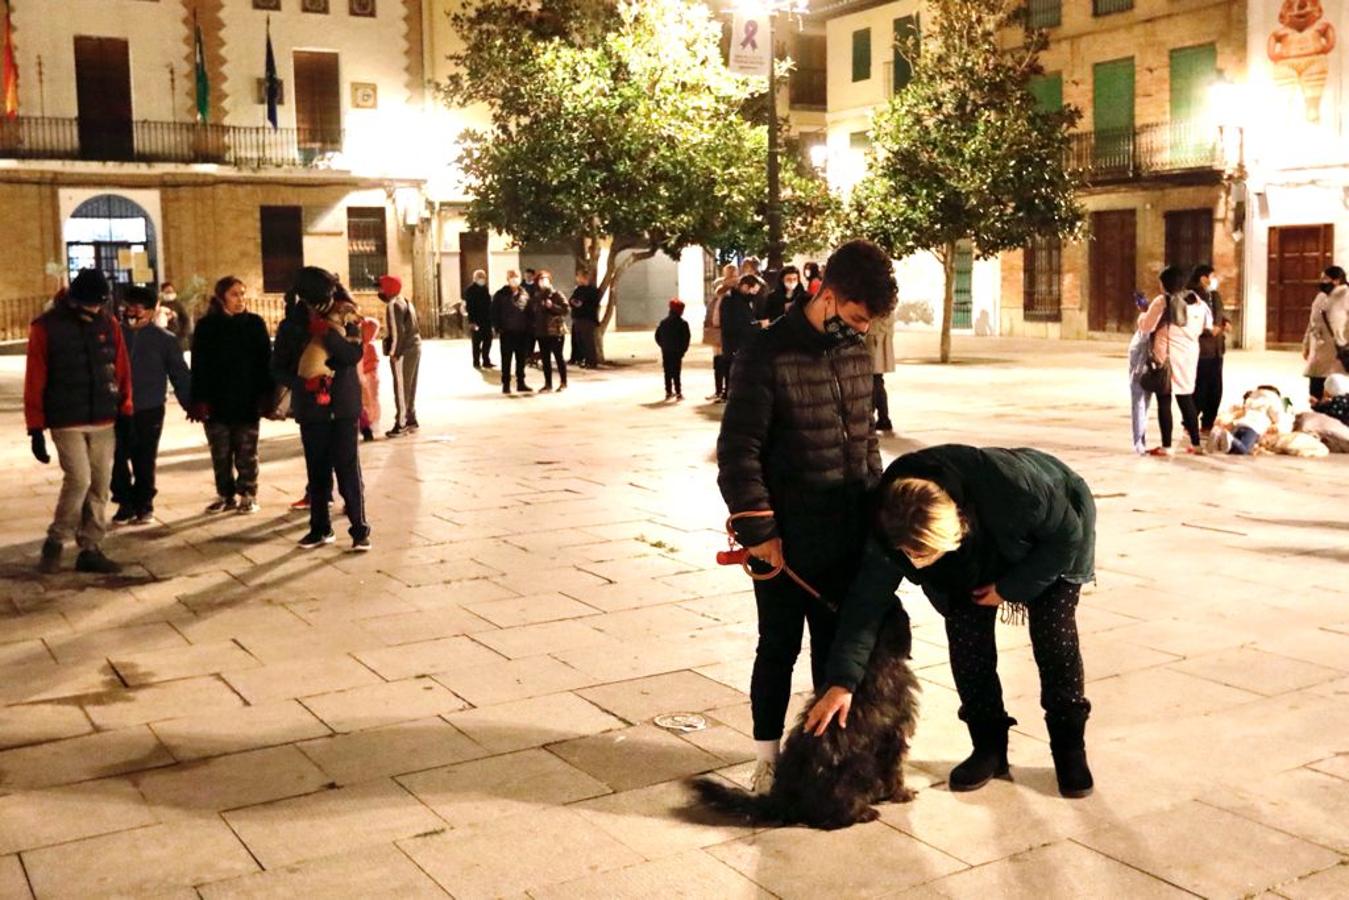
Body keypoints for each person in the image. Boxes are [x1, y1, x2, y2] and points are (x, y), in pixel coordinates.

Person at [805, 445, 1097, 799]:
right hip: (972, 557)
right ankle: (988, 748)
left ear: (957, 525)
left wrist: (1009, 588)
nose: (915, 563)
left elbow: (1066, 536)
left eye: (924, 555)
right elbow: (865, 606)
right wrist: (842, 681)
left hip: (1050, 540)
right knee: (967, 643)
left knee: (1055, 637)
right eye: (909, 555)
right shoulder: (889, 526)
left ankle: (1069, 750)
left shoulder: (1016, 491)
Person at [717, 239, 897, 794]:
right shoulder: (765, 353)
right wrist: (759, 530)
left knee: (835, 651)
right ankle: (767, 758)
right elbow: (738, 450)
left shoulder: (854, 352)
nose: (863, 330)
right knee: (777, 647)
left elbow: (865, 441)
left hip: (843, 533)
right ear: (828, 295)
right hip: (785, 540)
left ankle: (828, 763)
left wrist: (877, 511)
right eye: (857, 317)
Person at [25, 271, 132, 574]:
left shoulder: (109, 324)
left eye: (100, 303)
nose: (95, 309)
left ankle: (91, 546)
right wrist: (35, 427)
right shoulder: (46, 327)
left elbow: (120, 368)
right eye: (90, 304)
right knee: (79, 479)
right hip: (66, 418)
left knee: (100, 484)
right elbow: (35, 378)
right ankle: (56, 539)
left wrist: (126, 410)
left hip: (103, 416)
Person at [271, 268, 371, 551]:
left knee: (348, 468)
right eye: (314, 301)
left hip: (343, 405)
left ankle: (360, 528)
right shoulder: (292, 326)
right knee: (317, 470)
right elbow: (278, 367)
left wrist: (327, 335)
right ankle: (320, 528)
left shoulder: (347, 314)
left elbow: (353, 355)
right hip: (311, 407)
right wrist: (305, 383)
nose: (321, 305)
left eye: (325, 298)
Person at [111, 286, 193, 526]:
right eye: (130, 306)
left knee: (144, 458)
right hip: (116, 408)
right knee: (117, 457)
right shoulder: (113, 335)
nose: (134, 312)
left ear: (152, 311)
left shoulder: (164, 340)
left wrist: (189, 403)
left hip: (150, 407)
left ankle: (144, 503)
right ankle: (124, 502)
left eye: (141, 308)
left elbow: (179, 373)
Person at [191, 276, 272, 514]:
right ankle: (225, 494)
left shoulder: (254, 324)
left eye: (242, 294)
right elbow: (199, 365)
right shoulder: (207, 326)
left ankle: (248, 493)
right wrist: (198, 399)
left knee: (247, 451)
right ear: (222, 297)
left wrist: (266, 395)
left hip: (247, 400)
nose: (240, 299)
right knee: (220, 452)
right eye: (234, 294)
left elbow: (265, 361)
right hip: (217, 401)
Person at [1139, 266, 1213, 456]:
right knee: (1186, 398)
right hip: (1189, 355)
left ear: (1165, 284)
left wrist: (1142, 313)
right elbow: (1208, 326)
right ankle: (1196, 444)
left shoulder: (1162, 301)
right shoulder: (1199, 302)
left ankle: (1166, 446)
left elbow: (1147, 326)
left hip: (1167, 357)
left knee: (1164, 399)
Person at [1190, 265, 1229, 435]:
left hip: (1217, 349)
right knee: (1200, 387)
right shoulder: (1192, 297)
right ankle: (1190, 421)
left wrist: (1225, 322)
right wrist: (1209, 330)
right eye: (1213, 276)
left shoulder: (1215, 295)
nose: (1216, 279)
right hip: (1201, 350)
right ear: (1203, 278)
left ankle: (1208, 422)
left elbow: (1219, 313)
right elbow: (1190, 319)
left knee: (1216, 388)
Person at [379, 275, 420, 437]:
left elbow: (397, 331)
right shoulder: (405, 301)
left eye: (381, 287)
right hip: (414, 346)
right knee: (410, 386)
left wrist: (394, 352)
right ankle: (411, 418)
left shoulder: (393, 304)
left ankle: (401, 423)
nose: (379, 291)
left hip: (404, 351)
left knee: (401, 387)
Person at [1303, 265, 1348, 400]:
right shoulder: (1320, 297)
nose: (1322, 281)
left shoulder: (1346, 296)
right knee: (1315, 390)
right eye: (1321, 278)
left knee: (1335, 392)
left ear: (1337, 280)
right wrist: (1306, 344)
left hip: (1338, 352)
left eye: (1326, 278)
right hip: (1317, 352)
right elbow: (1311, 323)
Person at [492, 270, 536, 394]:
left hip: (522, 332)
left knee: (521, 359)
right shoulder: (501, 294)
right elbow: (494, 312)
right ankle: (506, 384)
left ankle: (521, 382)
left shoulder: (524, 294)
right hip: (507, 332)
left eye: (516, 277)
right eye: (511, 277)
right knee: (506, 359)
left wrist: (530, 327)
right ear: (507, 279)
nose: (514, 279)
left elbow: (530, 312)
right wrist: (497, 327)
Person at [719, 275, 761, 400]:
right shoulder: (732, 301)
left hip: (739, 345)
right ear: (745, 287)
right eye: (753, 291)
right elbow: (737, 325)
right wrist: (758, 325)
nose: (754, 294)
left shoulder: (742, 301)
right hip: (735, 345)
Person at [705, 263, 738, 401]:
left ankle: (724, 391)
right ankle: (720, 390)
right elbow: (713, 311)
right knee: (719, 361)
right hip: (718, 329)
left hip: (726, 330)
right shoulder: (721, 289)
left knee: (725, 362)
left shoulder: (733, 290)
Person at [1127, 292, 1155, 455]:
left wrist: (1137, 370)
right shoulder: (1148, 323)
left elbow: (1143, 348)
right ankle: (1140, 440)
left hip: (1141, 370)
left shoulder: (1146, 325)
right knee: (1143, 405)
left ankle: (1139, 441)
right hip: (1142, 369)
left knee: (1139, 405)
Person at [533, 270, 569, 393]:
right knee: (545, 359)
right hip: (541, 332)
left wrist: (552, 306)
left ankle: (563, 382)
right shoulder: (537, 297)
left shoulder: (556, 294)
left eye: (545, 279)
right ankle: (548, 384)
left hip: (555, 332)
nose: (543, 282)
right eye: (540, 280)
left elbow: (566, 310)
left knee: (558, 357)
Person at [866, 307, 896, 433]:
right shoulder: (888, 299)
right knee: (876, 380)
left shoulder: (880, 299)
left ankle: (873, 419)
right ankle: (883, 418)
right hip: (878, 338)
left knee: (873, 381)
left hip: (874, 338)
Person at [655, 299, 691, 400]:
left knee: (667, 371)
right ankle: (678, 391)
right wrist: (683, 350)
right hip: (677, 352)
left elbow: (657, 336)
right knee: (676, 372)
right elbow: (686, 339)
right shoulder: (683, 323)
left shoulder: (663, 323)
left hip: (666, 350)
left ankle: (668, 391)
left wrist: (663, 345)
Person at [569, 270, 602, 369]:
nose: (577, 279)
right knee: (579, 341)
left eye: (579, 277)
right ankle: (583, 359)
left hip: (587, 319)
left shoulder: (592, 290)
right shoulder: (578, 289)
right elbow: (572, 300)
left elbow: (587, 304)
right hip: (577, 318)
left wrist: (578, 304)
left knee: (588, 341)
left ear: (584, 278)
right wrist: (574, 303)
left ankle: (591, 361)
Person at [464, 269, 495, 370]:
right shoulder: (470, 290)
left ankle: (486, 360)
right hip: (476, 320)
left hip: (486, 320)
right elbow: (469, 307)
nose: (482, 279)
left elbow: (488, 305)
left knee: (488, 340)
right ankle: (476, 361)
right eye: (480, 277)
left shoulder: (485, 289)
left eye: (483, 277)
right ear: (475, 278)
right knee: (476, 342)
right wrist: (471, 322)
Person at [357, 316, 381, 442]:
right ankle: (371, 423)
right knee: (371, 400)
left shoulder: (362, 346)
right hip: (371, 377)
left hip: (366, 377)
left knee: (366, 402)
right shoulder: (369, 346)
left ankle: (367, 425)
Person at [158, 281, 193, 351]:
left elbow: (185, 319)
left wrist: (183, 334)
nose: (169, 294)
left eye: (171, 291)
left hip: (177, 337)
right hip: (164, 337)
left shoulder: (178, 304)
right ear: (162, 293)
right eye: (167, 292)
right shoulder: (160, 305)